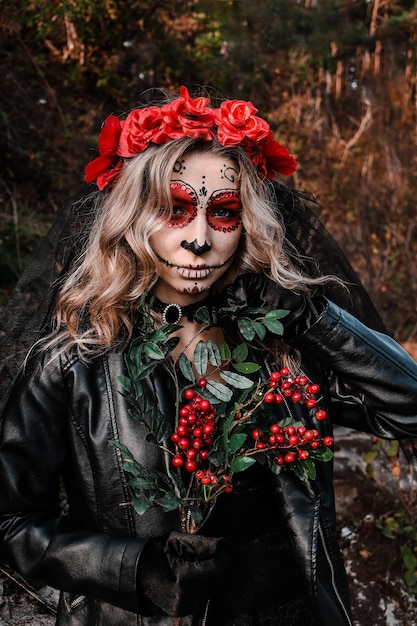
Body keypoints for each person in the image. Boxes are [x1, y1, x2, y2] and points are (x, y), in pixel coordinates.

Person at [1, 85, 417, 626]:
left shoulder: (280, 345)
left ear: (248, 224)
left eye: (222, 213)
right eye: (174, 210)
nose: (198, 239)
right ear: (132, 216)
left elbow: (408, 407)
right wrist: (134, 569)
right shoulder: (74, 358)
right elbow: (10, 521)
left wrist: (316, 319)